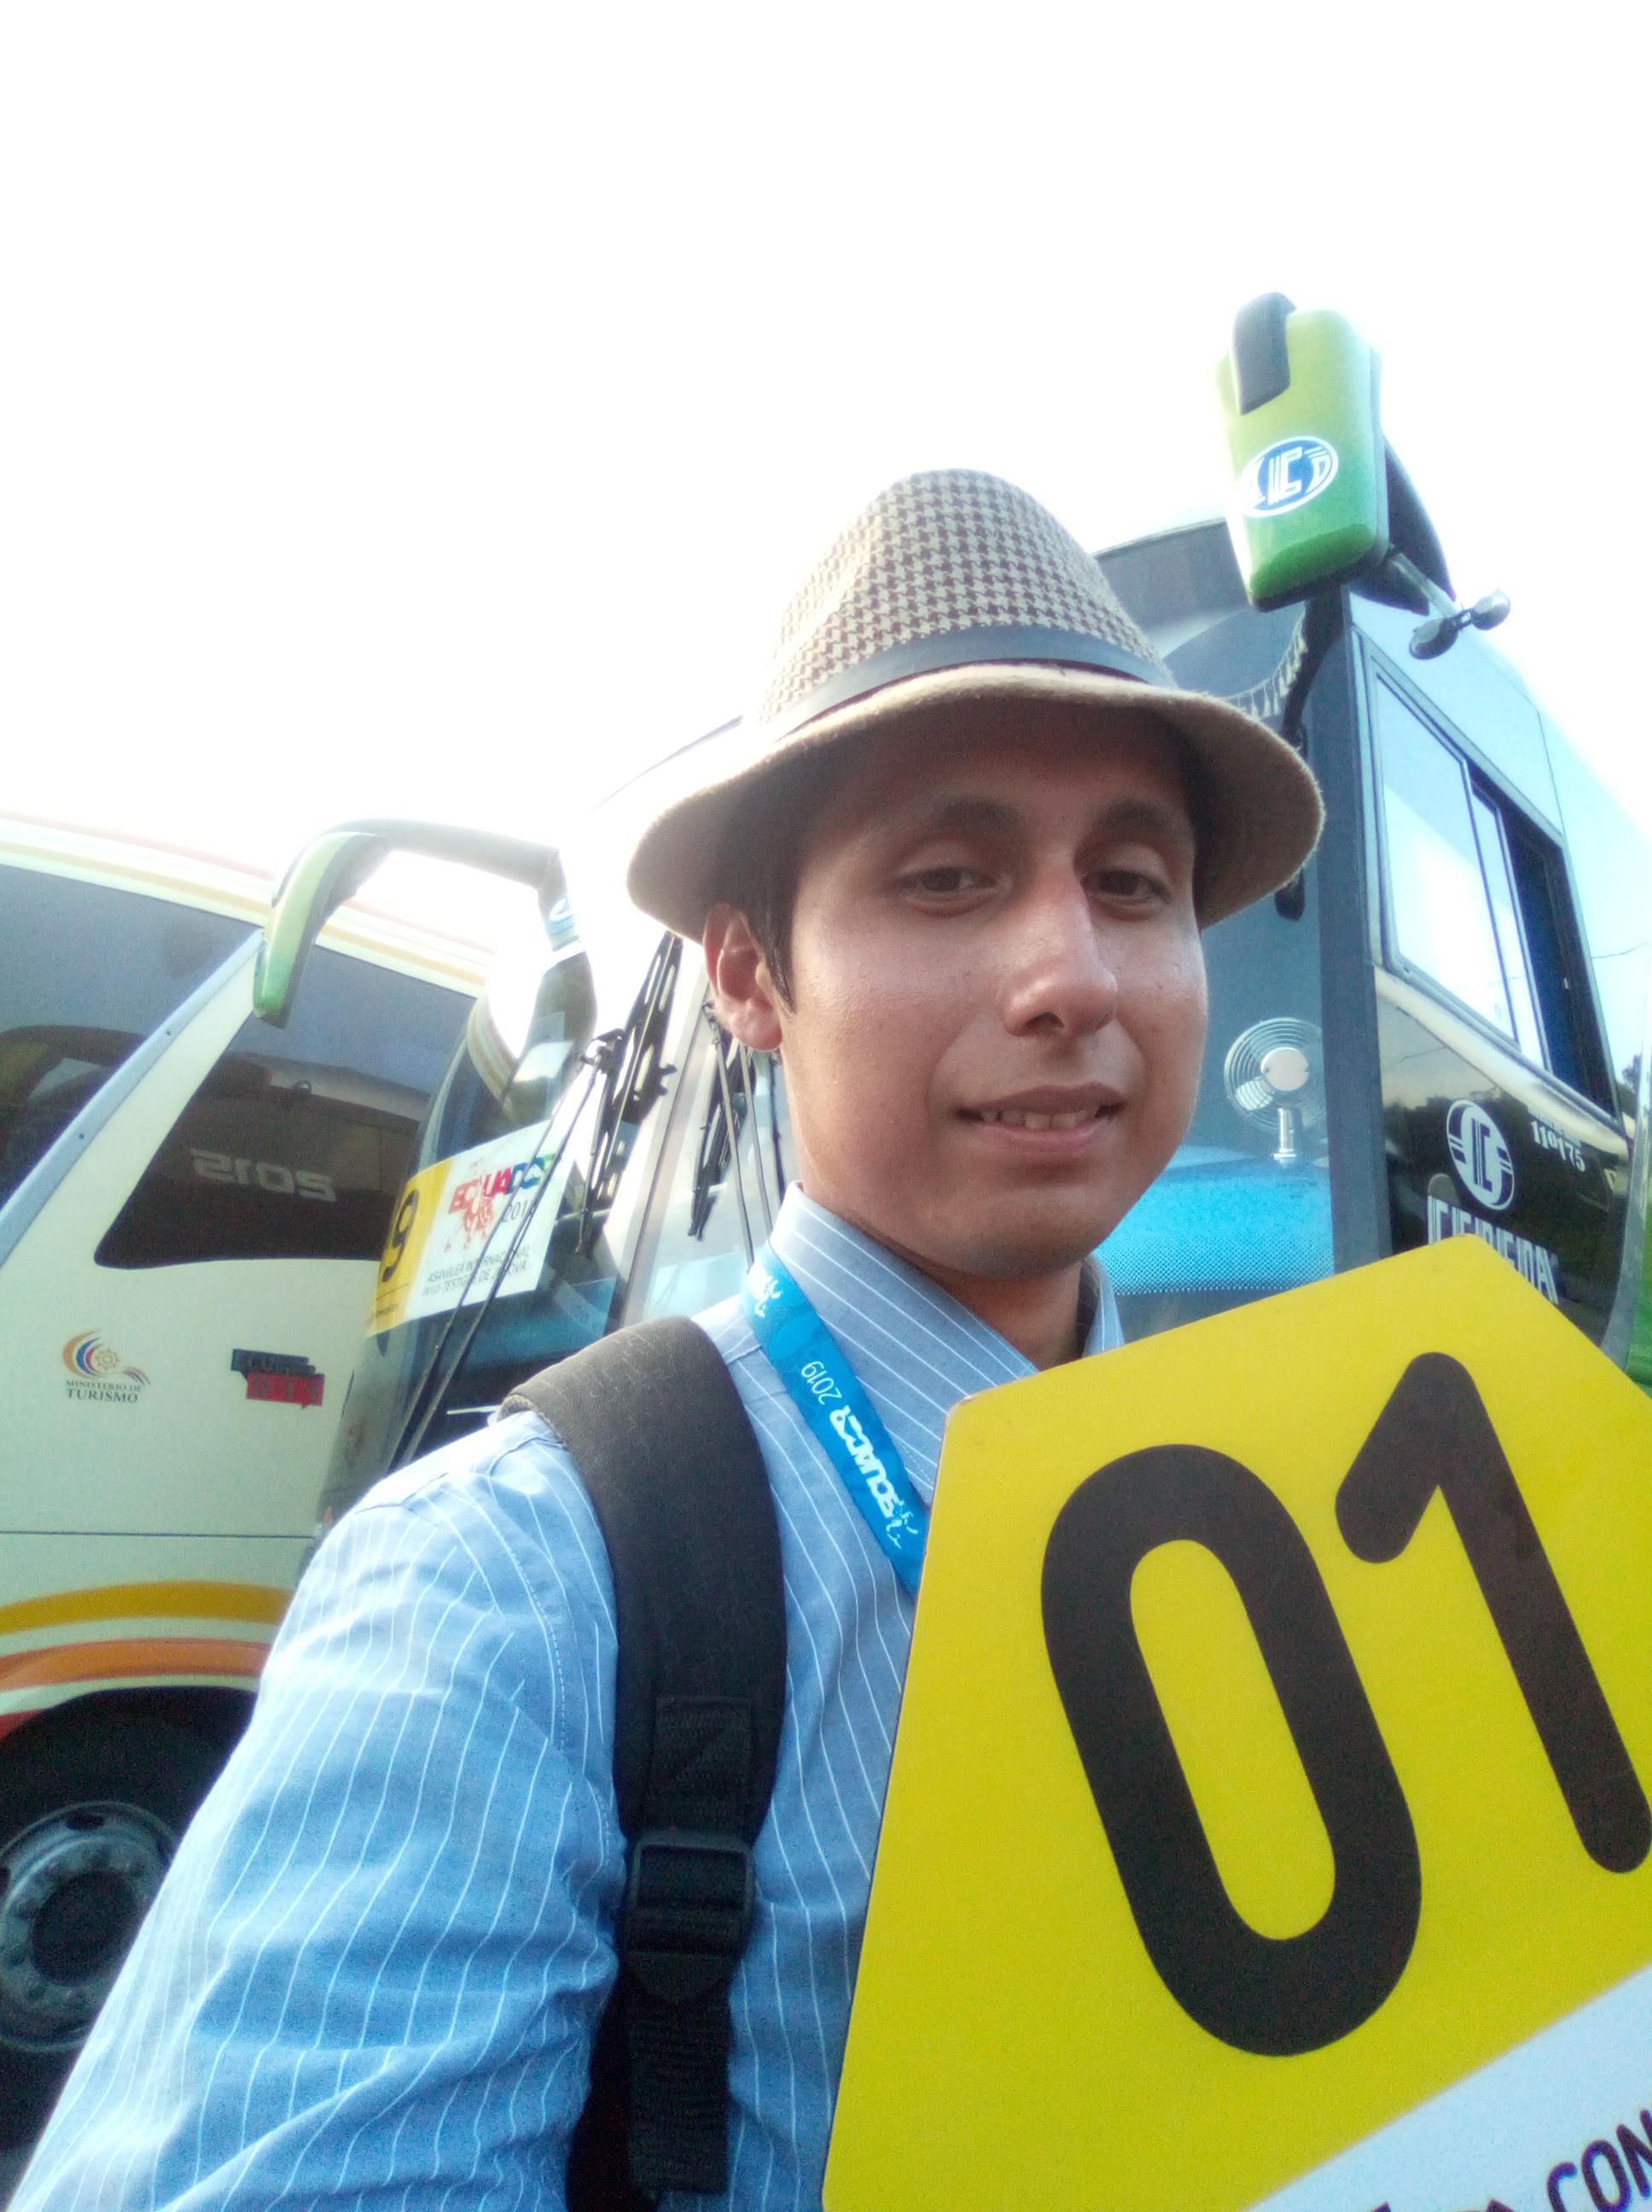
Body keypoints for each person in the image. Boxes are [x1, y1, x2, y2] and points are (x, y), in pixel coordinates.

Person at [16, 469, 1322, 2209]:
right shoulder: (507, 1587)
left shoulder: (1315, 1503)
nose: (1070, 974)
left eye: (1134, 882)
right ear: (751, 979)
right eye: (948, 878)